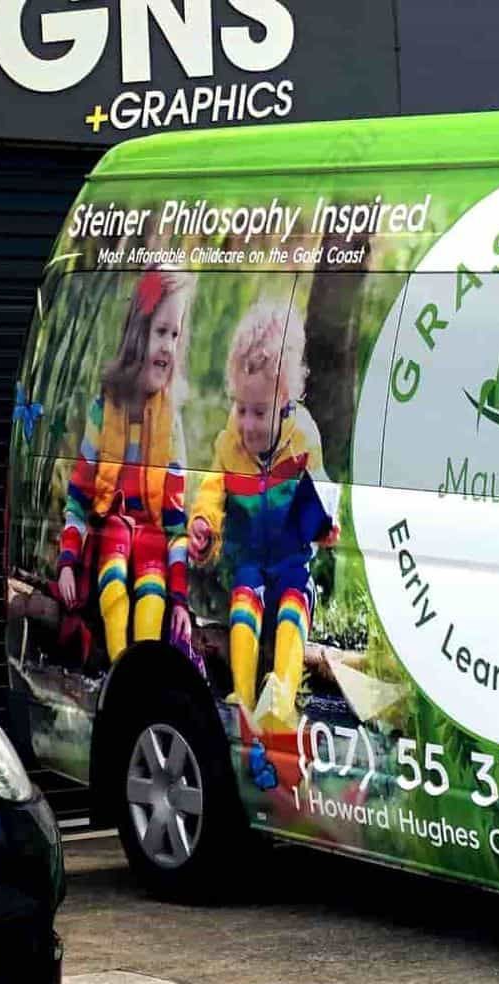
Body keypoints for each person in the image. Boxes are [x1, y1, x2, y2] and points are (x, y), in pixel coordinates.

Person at [188, 300, 336, 728]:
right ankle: (242, 695)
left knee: (294, 602)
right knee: (244, 602)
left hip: (290, 555)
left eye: (260, 412)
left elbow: (322, 484)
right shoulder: (228, 444)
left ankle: (282, 697)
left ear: (285, 399)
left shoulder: (303, 436)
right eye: (240, 409)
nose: (247, 424)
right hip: (250, 554)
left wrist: (327, 520)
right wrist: (204, 524)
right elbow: (212, 490)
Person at [57, 268, 195, 663]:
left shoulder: (171, 423)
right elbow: (79, 497)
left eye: (175, 334)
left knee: (153, 587)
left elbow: (175, 524)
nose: (168, 346)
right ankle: (121, 666)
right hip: (111, 536)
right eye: (160, 332)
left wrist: (181, 600)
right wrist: (67, 561)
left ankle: (144, 667)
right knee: (113, 567)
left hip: (151, 539)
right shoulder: (105, 410)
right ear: (137, 335)